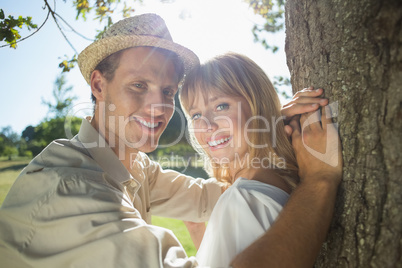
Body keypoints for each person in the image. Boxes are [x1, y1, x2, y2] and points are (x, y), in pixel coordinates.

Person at [0, 13, 341, 267]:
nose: (158, 107)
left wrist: (260, 121)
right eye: (138, 85)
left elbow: (220, 195)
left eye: (167, 91)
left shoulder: (135, 169)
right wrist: (320, 180)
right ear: (99, 85)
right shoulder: (72, 187)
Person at [179, 52, 342, 267]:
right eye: (196, 115)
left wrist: (320, 178)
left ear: (258, 106)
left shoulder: (246, 199)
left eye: (221, 106)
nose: (207, 126)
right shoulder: (259, 188)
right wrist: (200, 232)